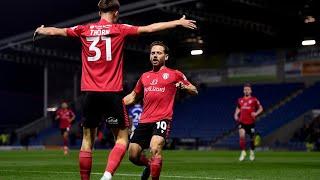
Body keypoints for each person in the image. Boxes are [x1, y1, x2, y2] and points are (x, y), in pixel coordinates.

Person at [34, 0, 197, 179]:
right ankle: (107, 174)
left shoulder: (84, 29)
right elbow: (149, 28)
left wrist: (43, 29)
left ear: (99, 13)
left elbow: (59, 32)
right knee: (121, 140)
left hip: (89, 94)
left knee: (87, 142)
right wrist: (177, 22)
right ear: (116, 12)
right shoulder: (120, 29)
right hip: (112, 93)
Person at [123, 41, 198, 180]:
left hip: (162, 119)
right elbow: (133, 96)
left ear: (166, 57)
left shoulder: (175, 74)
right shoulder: (144, 76)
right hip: (144, 121)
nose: (155, 56)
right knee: (133, 155)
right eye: (153, 53)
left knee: (155, 147)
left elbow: (194, 90)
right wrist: (118, 104)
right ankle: (149, 165)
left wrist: (185, 87)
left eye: (159, 53)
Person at [234, 83, 263, 161]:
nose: (246, 91)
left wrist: (256, 113)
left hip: (251, 122)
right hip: (242, 122)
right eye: (245, 89)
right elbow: (238, 108)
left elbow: (261, 108)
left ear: (251, 91)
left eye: (248, 89)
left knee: (252, 139)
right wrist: (236, 114)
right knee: (242, 135)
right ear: (243, 91)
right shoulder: (240, 100)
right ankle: (243, 152)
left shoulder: (254, 99)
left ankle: (252, 152)